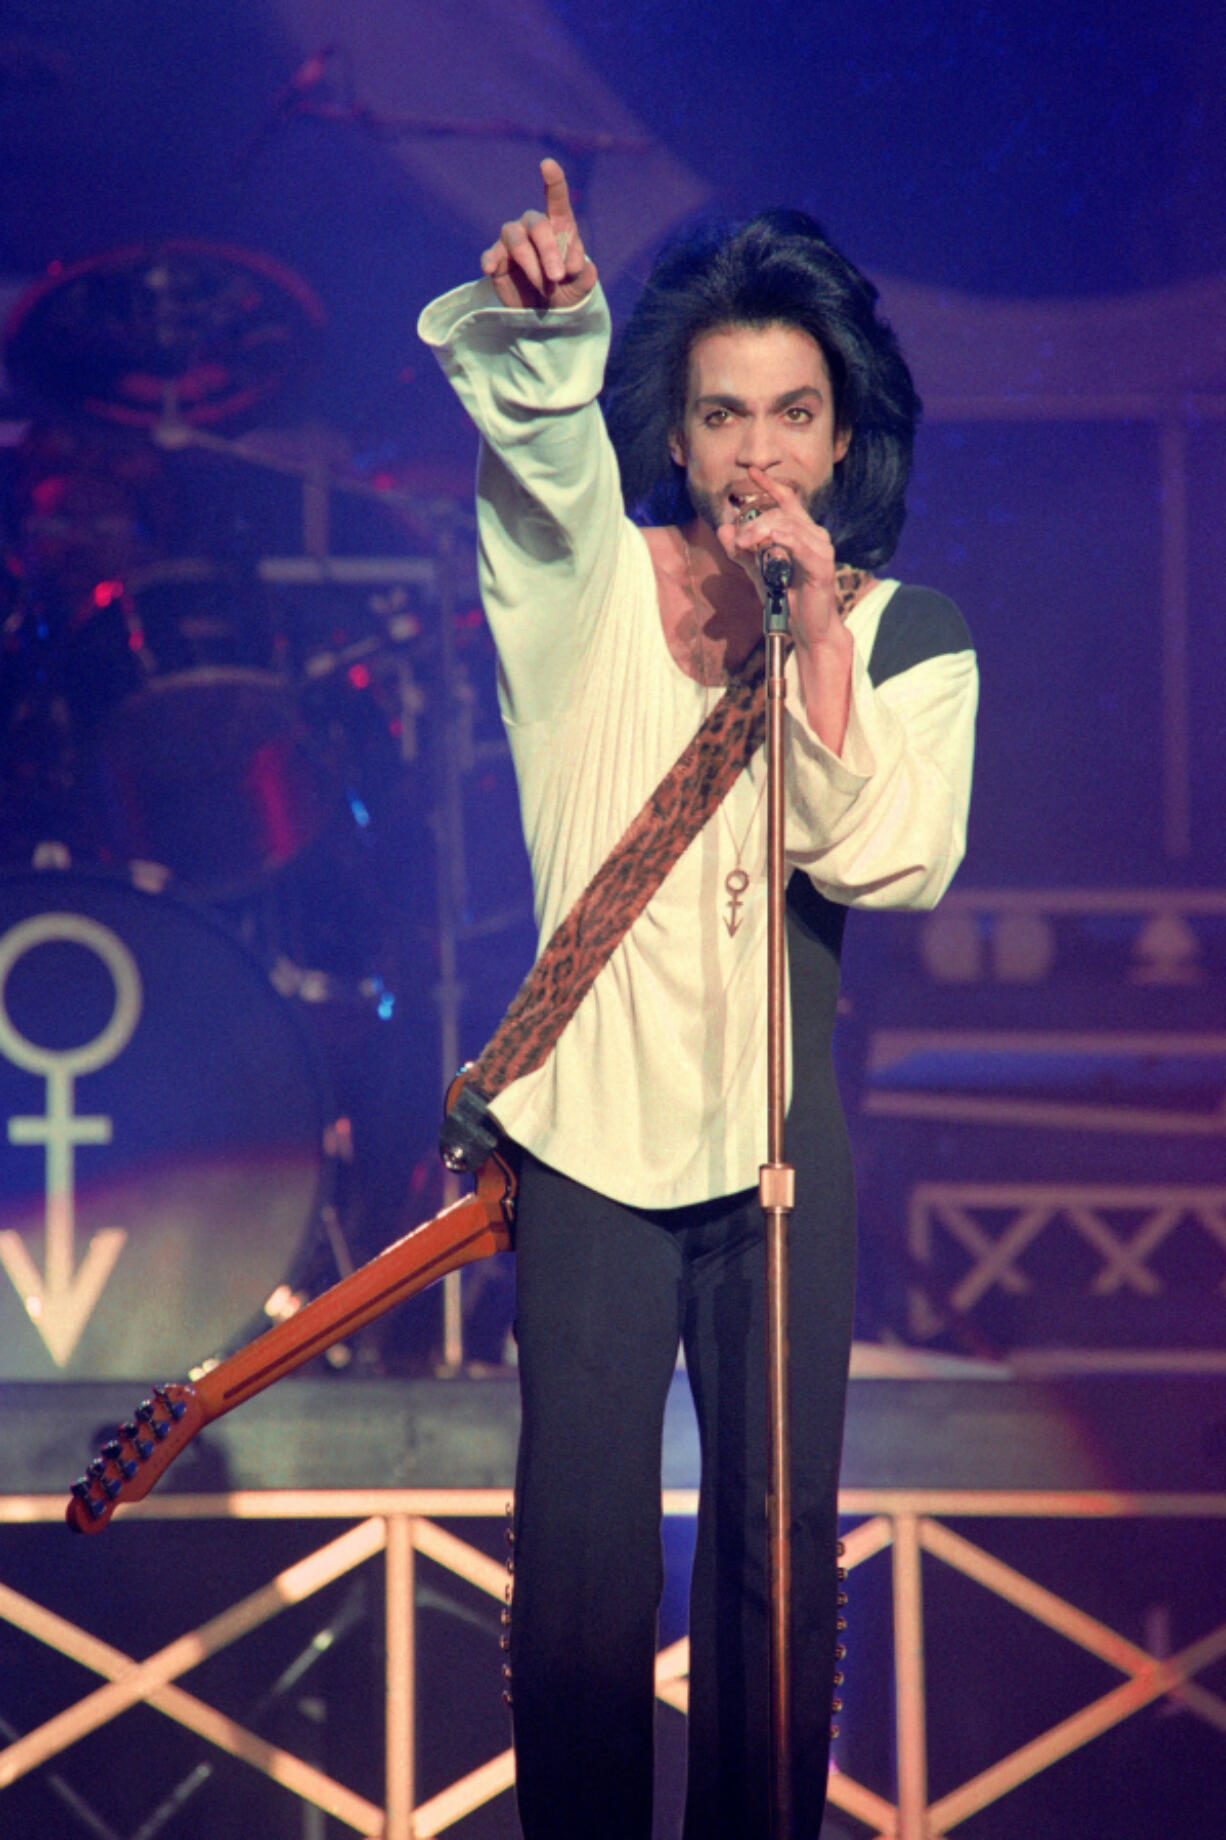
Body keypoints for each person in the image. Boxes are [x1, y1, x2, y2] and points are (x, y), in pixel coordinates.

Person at [418, 160, 976, 1840]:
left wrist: (813, 643)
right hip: (590, 1146)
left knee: (772, 1565)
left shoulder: (906, 637)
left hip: (779, 1147)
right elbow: (534, 465)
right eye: (721, 415)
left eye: (790, 415)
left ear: (838, 435)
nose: (755, 452)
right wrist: (550, 332)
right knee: (583, 1577)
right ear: (669, 431)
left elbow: (878, 857)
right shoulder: (585, 591)